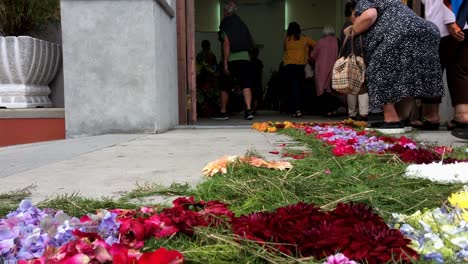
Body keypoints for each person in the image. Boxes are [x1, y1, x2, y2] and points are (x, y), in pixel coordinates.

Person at [345, 0, 444, 134]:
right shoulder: (391, 3)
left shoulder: (364, 2)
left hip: (401, 33)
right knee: (408, 77)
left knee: (378, 69)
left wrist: (353, 29)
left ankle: (391, 119)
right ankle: (402, 118)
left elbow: (369, 15)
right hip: (427, 32)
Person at [412, 0, 468, 133]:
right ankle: (462, 115)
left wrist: (450, 21)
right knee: (460, 71)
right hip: (463, 24)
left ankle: (431, 116)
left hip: (443, 26)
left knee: (433, 70)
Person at [211, 1, 255, 120]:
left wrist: (225, 62)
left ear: (226, 12)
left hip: (232, 59)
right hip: (245, 58)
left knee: (224, 85)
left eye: (224, 11)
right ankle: (249, 111)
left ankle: (223, 112)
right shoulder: (242, 23)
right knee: (246, 84)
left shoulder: (226, 23)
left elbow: (226, 43)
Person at [340, 0, 369, 121]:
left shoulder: (349, 25)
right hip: (354, 58)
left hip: (356, 58)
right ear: (349, 14)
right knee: (356, 86)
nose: (357, 16)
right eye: (354, 14)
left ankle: (357, 113)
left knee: (357, 86)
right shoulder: (349, 26)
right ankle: (358, 113)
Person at [283, 22, 316, 117]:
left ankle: (296, 109)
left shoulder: (287, 40)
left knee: (293, 88)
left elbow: (285, 51)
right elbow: (316, 45)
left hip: (289, 66)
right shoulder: (304, 39)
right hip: (301, 66)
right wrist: (309, 54)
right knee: (301, 87)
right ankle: (301, 109)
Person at [310, 25, 340, 117]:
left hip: (322, 68)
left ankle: (327, 111)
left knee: (322, 89)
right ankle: (333, 109)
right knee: (331, 89)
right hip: (334, 67)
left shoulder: (320, 42)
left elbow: (313, 55)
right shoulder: (336, 41)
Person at [250, 47, 264, 114]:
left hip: (250, 80)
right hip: (257, 80)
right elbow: (260, 72)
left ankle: (251, 108)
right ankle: (255, 108)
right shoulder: (259, 62)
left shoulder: (249, 62)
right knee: (256, 95)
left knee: (251, 94)